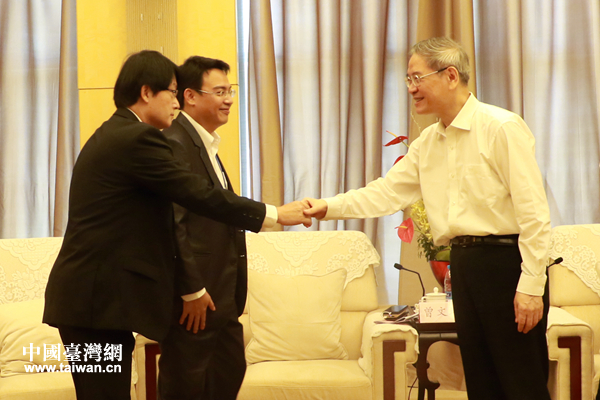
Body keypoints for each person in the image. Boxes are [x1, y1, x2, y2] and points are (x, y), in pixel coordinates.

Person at [42, 50, 311, 400]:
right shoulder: (138, 139)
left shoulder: (116, 132)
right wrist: (274, 214)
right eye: (171, 92)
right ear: (146, 92)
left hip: (92, 304)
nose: (176, 102)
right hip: (94, 306)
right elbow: (199, 195)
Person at [304, 37, 552, 400]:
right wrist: (327, 206)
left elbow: (535, 213)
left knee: (521, 384)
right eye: (408, 79)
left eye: (417, 78)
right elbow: (386, 193)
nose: (411, 88)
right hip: (463, 266)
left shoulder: (500, 127)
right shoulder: (428, 143)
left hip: (507, 265)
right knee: (482, 385)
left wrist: (531, 286)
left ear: (450, 76)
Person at [156, 56, 251, 400]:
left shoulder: (206, 143)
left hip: (222, 298)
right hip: (196, 302)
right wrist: (191, 289)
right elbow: (173, 222)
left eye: (230, 91)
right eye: (220, 92)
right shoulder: (175, 143)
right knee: (187, 386)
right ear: (191, 96)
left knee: (228, 372)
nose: (228, 100)